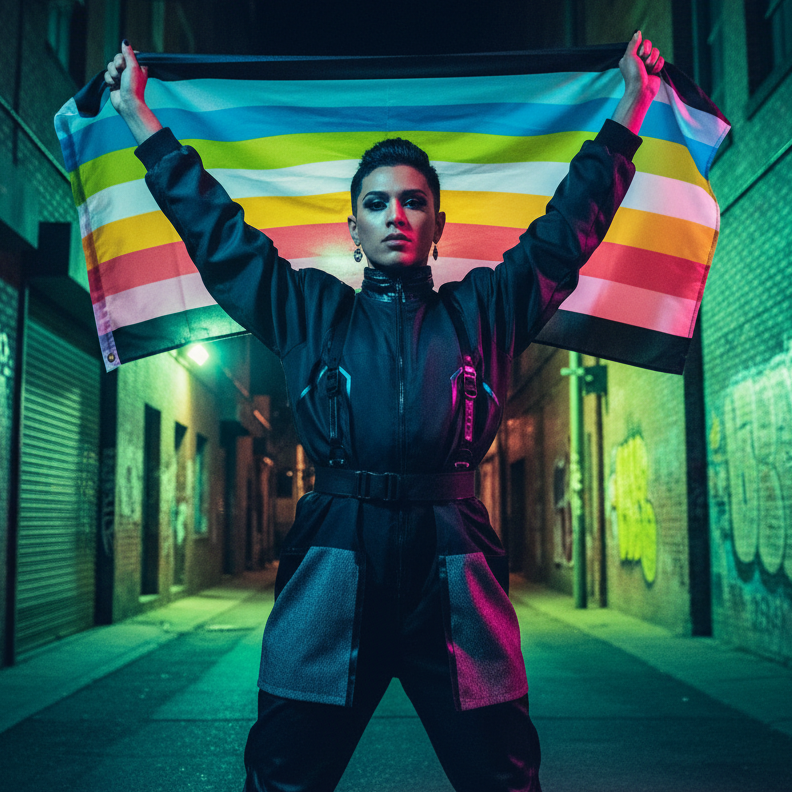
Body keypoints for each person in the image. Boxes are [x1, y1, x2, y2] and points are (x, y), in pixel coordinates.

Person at [105, 32, 664, 792]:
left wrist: (629, 111)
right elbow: (219, 236)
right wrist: (140, 119)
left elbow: (565, 234)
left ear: (437, 226)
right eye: (376, 203)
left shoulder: (485, 311)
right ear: (354, 230)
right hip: (335, 557)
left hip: (455, 561)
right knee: (283, 774)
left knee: (504, 775)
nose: (395, 215)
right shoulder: (308, 310)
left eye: (413, 202)